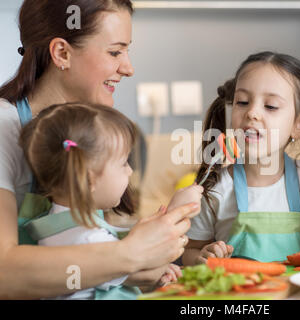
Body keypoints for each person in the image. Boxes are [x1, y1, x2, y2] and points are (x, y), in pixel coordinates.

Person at [0, 0, 199, 299]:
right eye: (115, 52)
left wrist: (125, 272)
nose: (128, 68)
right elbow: (4, 272)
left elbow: (73, 258)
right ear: (62, 53)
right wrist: (128, 254)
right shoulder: (4, 126)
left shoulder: (84, 136)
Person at [182, 51, 300, 265]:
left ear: (299, 125)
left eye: (270, 106)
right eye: (242, 102)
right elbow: (190, 252)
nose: (252, 113)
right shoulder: (217, 187)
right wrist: (202, 256)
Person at [19, 102, 184, 299]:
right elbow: (145, 268)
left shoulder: (52, 224)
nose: (130, 171)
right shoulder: (91, 240)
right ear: (89, 179)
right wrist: (179, 209)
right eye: (124, 163)